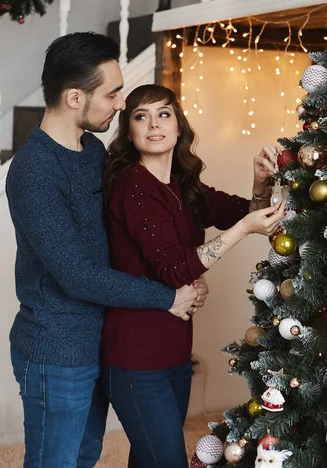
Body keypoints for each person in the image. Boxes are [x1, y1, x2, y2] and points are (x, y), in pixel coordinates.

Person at [5, 33, 208, 468]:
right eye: (113, 93)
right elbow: (77, 275)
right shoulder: (34, 172)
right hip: (57, 349)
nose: (120, 104)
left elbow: (136, 224)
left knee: (85, 455)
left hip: (101, 337)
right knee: (56, 461)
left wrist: (185, 270)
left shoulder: (93, 150)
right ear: (75, 97)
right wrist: (168, 296)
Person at [101, 84, 286, 468]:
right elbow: (175, 269)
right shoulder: (134, 186)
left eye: (163, 113)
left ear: (179, 125)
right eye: (141, 116)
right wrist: (242, 231)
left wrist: (258, 181)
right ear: (129, 130)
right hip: (135, 356)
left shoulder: (182, 184)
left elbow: (240, 212)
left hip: (174, 352)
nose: (154, 124)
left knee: (149, 459)